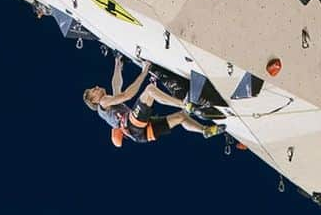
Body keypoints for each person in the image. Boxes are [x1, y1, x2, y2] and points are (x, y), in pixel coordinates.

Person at [82, 54, 222, 146]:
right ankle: (185, 104)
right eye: (93, 90)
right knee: (149, 90)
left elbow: (116, 86)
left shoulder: (107, 106)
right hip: (133, 125)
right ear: (94, 100)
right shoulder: (103, 102)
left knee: (181, 117)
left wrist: (117, 63)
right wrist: (145, 70)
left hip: (140, 135)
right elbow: (126, 95)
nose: (96, 87)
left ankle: (205, 130)